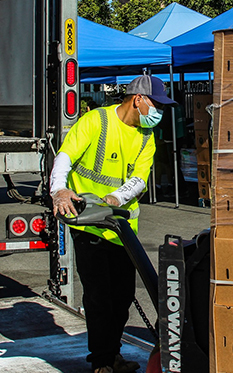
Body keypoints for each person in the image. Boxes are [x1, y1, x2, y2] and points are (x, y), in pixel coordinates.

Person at [50, 75, 177, 373]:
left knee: (122, 298)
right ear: (138, 99)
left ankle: (113, 354)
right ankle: (101, 361)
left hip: (122, 229)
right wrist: (59, 189)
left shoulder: (147, 137)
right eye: (156, 104)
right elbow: (66, 156)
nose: (159, 111)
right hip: (89, 227)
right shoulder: (96, 121)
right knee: (98, 298)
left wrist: (114, 200)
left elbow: (138, 181)